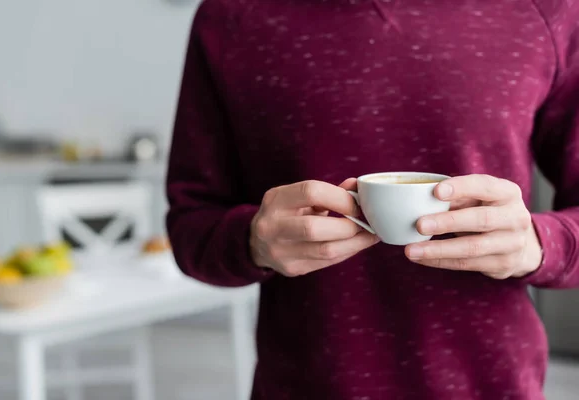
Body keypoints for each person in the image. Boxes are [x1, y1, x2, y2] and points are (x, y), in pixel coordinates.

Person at [166, 0, 579, 398]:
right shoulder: (230, 16)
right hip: (305, 384)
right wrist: (252, 240)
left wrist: (536, 245)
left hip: (492, 385)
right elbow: (190, 225)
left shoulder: (548, 10)